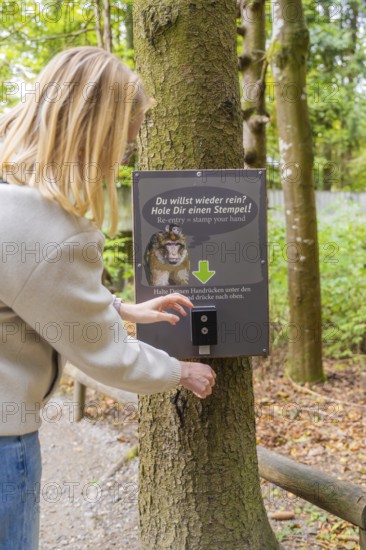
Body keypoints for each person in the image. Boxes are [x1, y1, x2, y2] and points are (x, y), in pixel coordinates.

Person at [0, 46, 216, 550]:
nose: (125, 154)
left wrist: (117, 306)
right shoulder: (52, 230)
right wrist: (179, 371)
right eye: (126, 137)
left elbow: (21, 291)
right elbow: (105, 353)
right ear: (96, 132)